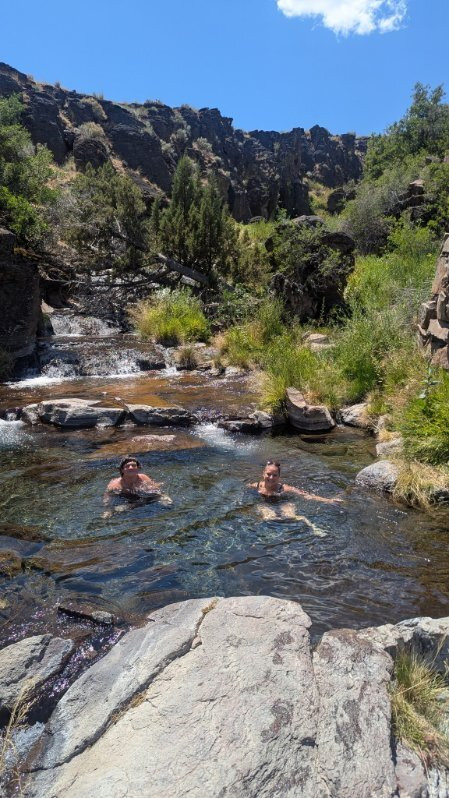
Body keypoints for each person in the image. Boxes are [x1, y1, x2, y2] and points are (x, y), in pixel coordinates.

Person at [249, 459, 342, 532]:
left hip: (283, 503)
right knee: (269, 518)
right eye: (268, 474)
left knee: (291, 517)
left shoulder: (284, 488)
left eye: (275, 475)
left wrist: (328, 500)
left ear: (279, 476)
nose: (271, 478)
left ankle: (312, 527)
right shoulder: (255, 486)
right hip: (265, 505)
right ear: (263, 473)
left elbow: (305, 495)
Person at [102, 456, 171, 517]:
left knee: (164, 500)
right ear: (122, 470)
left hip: (142, 497)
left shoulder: (143, 478)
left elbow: (155, 489)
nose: (131, 467)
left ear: (138, 468)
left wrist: (161, 492)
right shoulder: (115, 485)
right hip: (126, 499)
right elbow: (107, 496)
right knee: (119, 509)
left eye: (133, 465)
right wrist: (107, 509)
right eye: (127, 466)